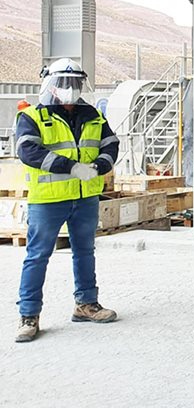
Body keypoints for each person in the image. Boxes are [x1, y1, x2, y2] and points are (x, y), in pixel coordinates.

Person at [14, 58, 120, 343]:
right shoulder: (33, 116)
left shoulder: (94, 115)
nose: (70, 88)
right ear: (52, 84)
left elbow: (111, 144)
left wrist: (100, 165)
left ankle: (86, 304)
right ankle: (29, 315)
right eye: (63, 83)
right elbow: (27, 151)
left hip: (85, 198)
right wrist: (70, 167)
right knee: (38, 256)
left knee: (85, 252)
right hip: (49, 200)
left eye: (74, 83)